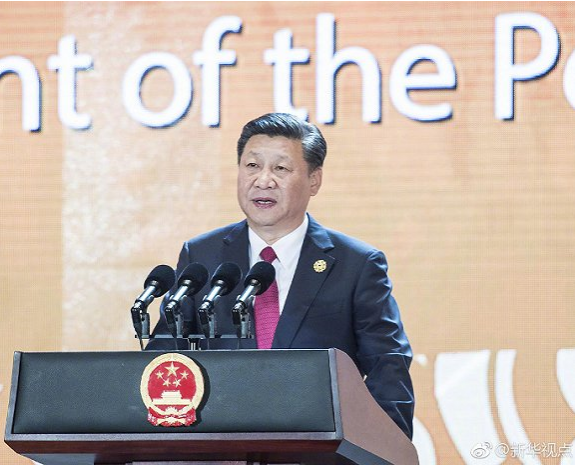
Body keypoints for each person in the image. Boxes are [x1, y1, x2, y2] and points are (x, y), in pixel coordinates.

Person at [147, 113, 415, 439]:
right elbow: (164, 355)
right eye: (252, 166)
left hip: (316, 447)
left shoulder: (356, 264)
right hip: (219, 447)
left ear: (314, 180)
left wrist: (387, 446)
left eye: (281, 169)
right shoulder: (202, 256)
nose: (263, 180)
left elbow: (388, 365)